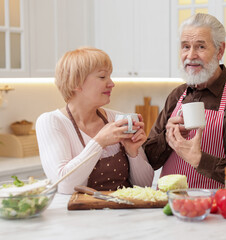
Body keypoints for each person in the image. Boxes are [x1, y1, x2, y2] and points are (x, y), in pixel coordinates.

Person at [143, 13, 226, 189]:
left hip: (215, 210)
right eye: (185, 47)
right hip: (167, 208)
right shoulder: (176, 95)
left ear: (220, 50)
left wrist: (200, 160)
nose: (191, 55)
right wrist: (167, 139)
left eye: (200, 47)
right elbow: (148, 160)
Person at [36, 47, 154, 194]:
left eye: (110, 76)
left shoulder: (116, 118)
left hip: (124, 213)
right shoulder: (51, 122)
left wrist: (132, 152)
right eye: (102, 77)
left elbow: (145, 185)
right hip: (83, 215)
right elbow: (64, 186)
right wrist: (99, 142)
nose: (111, 83)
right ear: (76, 82)